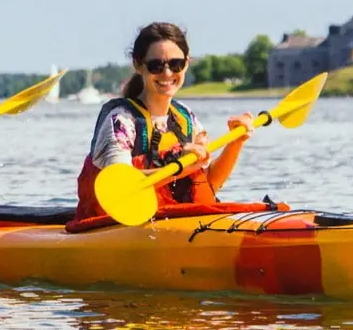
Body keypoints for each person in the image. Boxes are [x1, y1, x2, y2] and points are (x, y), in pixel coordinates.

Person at [73, 22, 255, 221]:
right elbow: (119, 185)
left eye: (176, 64)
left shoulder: (185, 117)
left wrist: (235, 142)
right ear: (139, 65)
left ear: (187, 63)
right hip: (116, 226)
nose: (167, 73)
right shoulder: (121, 121)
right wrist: (180, 168)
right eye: (156, 65)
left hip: (172, 223)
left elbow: (211, 183)